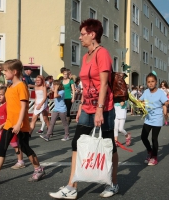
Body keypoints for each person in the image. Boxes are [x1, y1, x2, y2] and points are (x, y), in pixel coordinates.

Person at [49, 19, 119, 199]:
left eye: (82, 34)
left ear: (92, 34)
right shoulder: (85, 56)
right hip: (87, 107)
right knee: (77, 144)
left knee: (108, 145)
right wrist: (81, 106)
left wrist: (99, 110)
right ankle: (71, 187)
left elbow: (103, 85)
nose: (80, 37)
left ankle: (113, 183)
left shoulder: (102, 54)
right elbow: (86, 86)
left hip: (104, 108)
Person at [0, 59, 45, 187]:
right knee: (2, 148)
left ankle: (38, 169)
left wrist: (19, 123)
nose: (4, 73)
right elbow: (11, 108)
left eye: (6, 70)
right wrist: (5, 123)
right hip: (10, 124)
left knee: (25, 148)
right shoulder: (9, 87)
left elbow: (23, 107)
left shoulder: (21, 86)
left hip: (21, 125)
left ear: (14, 72)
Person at [140, 73, 168, 166]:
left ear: (156, 82)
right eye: (148, 82)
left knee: (153, 138)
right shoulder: (146, 92)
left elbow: (166, 102)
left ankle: (154, 157)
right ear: (146, 83)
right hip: (148, 118)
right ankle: (150, 151)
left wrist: (165, 108)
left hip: (157, 118)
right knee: (143, 137)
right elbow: (140, 101)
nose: (150, 83)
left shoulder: (160, 92)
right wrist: (139, 104)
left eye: (152, 81)